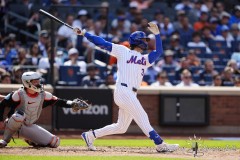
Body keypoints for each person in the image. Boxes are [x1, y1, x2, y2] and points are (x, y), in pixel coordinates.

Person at [73, 22, 179, 152]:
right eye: (144, 40)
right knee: (142, 117)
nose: (146, 42)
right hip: (123, 90)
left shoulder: (144, 59)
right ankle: (160, 144)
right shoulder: (123, 51)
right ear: (137, 41)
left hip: (130, 93)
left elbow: (159, 52)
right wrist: (84, 33)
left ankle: (90, 135)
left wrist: (157, 34)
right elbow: (103, 43)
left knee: (121, 127)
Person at [0, 71, 89, 148]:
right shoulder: (18, 94)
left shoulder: (43, 95)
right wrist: (0, 120)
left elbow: (59, 101)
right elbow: (2, 104)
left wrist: (72, 104)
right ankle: (5, 140)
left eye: (38, 81)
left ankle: (31, 140)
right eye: (35, 82)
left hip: (29, 125)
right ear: (27, 83)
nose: (38, 83)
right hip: (15, 124)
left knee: (55, 142)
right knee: (18, 116)